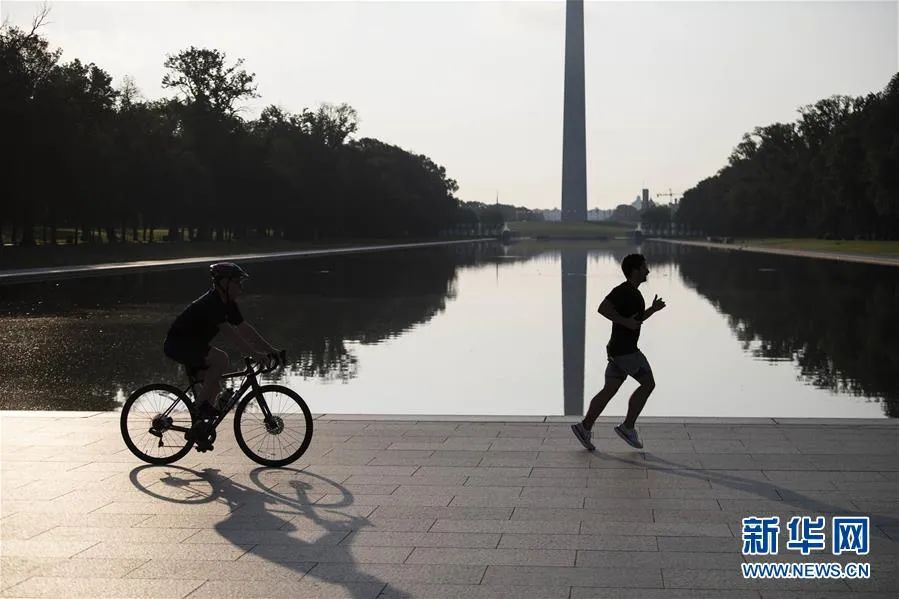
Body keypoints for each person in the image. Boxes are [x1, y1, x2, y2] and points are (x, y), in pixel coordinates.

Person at [164, 262, 280, 424]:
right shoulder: (212, 303)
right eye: (237, 282)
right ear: (224, 283)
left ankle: (200, 429)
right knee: (221, 358)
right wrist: (255, 354)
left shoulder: (228, 303)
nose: (240, 287)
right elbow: (232, 335)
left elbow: (244, 328)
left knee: (215, 388)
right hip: (179, 345)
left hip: (193, 346)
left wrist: (271, 350)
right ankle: (199, 408)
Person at [571, 253, 666, 451]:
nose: (648, 270)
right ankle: (627, 427)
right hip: (626, 352)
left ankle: (584, 427)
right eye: (644, 267)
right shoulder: (623, 291)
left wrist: (652, 310)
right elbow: (602, 308)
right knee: (648, 383)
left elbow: (635, 321)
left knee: (610, 388)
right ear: (635, 270)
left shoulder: (634, 293)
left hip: (618, 351)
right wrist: (624, 321)